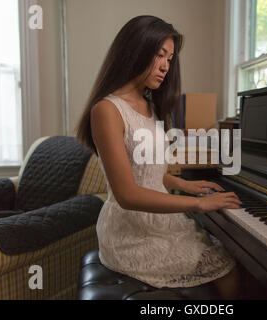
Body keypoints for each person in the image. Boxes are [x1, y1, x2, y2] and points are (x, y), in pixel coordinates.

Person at [76, 15, 242, 300]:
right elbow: (127, 193)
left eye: (170, 58)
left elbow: (146, 168)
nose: (166, 65)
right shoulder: (107, 110)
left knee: (229, 259)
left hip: (159, 221)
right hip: (130, 232)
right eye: (160, 55)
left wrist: (189, 185)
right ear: (135, 50)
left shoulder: (149, 106)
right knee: (226, 269)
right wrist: (199, 204)